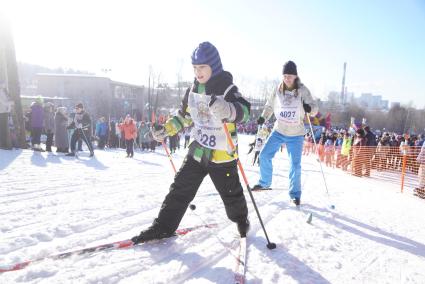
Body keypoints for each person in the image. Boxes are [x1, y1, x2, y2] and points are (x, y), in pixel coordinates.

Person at [131, 42, 251, 243]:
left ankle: (241, 221)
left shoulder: (227, 88)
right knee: (180, 189)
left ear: (214, 66)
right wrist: (166, 129)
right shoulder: (193, 89)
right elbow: (184, 117)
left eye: (202, 67)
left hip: (222, 155)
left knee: (231, 195)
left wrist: (230, 110)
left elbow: (244, 111)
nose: (198, 72)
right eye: (195, 68)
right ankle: (163, 226)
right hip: (198, 151)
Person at [252, 61, 318, 206]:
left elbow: (314, 108)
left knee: (295, 165)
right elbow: (269, 105)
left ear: (295, 76)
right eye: (285, 76)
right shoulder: (278, 89)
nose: (287, 79)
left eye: (290, 76)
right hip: (279, 130)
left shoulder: (302, 90)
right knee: (264, 155)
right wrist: (264, 116)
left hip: (296, 133)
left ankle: (295, 194)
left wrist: (309, 108)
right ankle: (264, 182)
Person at [0, 85, 13, 150]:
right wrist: (10, 103)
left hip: (5, 112)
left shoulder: (5, 91)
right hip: (1, 112)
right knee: (2, 129)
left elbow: (8, 100)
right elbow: (4, 102)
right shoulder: (1, 91)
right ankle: (2, 144)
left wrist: (10, 103)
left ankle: (3, 144)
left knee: (4, 129)